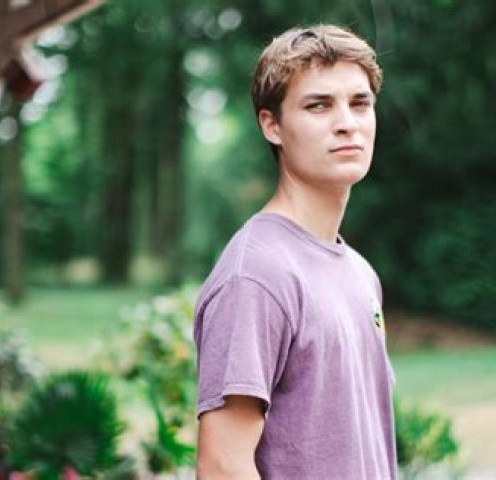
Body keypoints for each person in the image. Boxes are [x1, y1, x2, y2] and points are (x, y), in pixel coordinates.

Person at [193, 24, 397, 479]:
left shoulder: (359, 272)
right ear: (272, 125)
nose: (347, 122)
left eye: (360, 103)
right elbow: (223, 466)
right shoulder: (256, 274)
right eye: (318, 105)